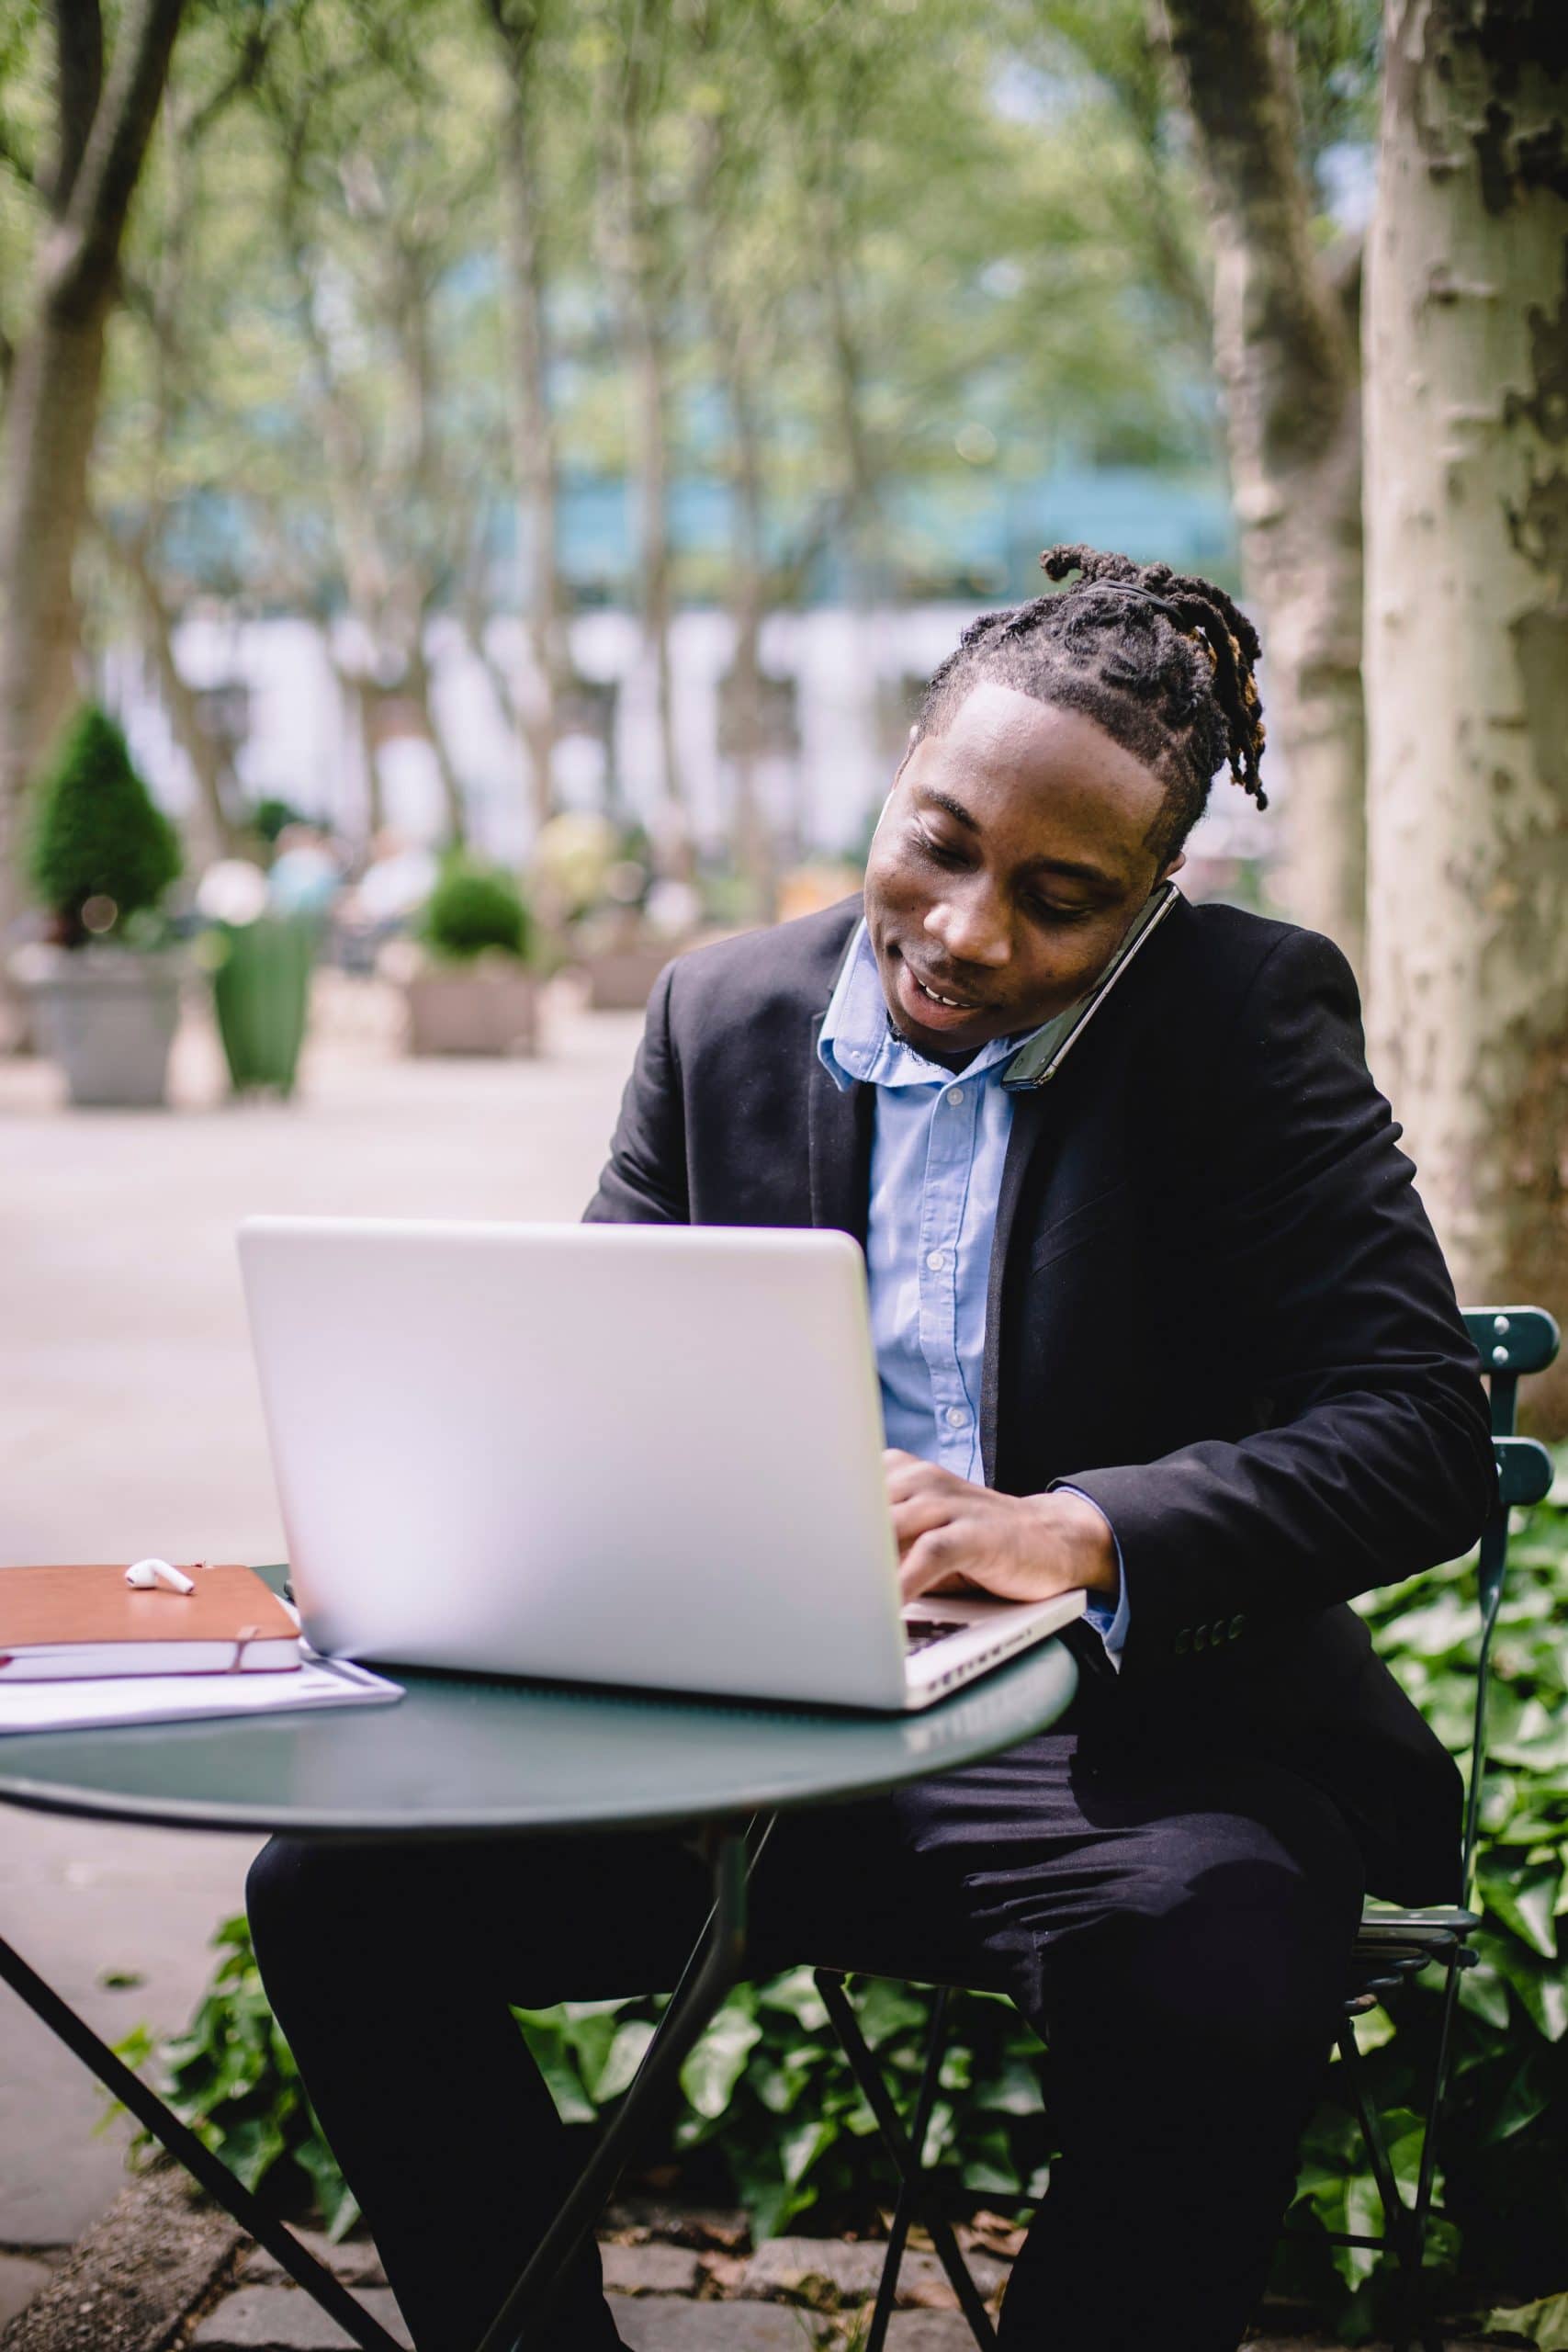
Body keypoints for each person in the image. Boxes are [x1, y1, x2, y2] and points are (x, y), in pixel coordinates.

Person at [247, 545, 1493, 2352]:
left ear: (1154, 896)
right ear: (899, 769)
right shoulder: (719, 1016)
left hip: (1101, 1757)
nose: (971, 928)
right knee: (338, 1892)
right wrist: (452, 1519)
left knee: (1214, 1947)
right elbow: (600, 1386)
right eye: (937, 842)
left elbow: (1413, 1434)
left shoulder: (1242, 1025)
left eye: (1062, 898)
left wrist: (1071, 1526)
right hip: (729, 1744)